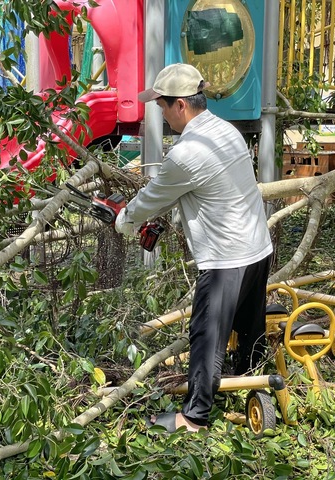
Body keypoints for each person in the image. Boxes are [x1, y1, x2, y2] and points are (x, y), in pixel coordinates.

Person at [115, 63, 273, 432]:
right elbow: (198, 193)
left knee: (206, 335)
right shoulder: (225, 131)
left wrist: (123, 220)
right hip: (256, 247)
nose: (160, 112)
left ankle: (194, 416)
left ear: (181, 106)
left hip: (225, 259)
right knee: (249, 326)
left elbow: (151, 199)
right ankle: (250, 376)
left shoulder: (186, 154)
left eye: (162, 106)